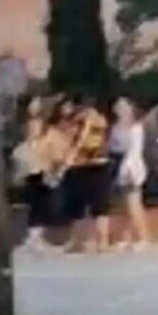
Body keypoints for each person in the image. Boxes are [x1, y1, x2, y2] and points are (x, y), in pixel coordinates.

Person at [62, 95, 113, 253]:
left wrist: (71, 154)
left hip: (87, 164)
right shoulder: (100, 119)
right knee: (96, 206)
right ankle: (99, 242)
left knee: (83, 205)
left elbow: (82, 137)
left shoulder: (86, 118)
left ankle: (82, 242)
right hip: (94, 164)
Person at [109, 96, 150, 252]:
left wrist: (129, 169)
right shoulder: (115, 127)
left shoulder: (136, 127)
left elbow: (135, 150)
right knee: (124, 206)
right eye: (118, 106)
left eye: (123, 106)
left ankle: (143, 238)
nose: (120, 109)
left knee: (134, 205)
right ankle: (126, 238)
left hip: (133, 167)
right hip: (121, 165)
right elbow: (114, 147)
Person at [12, 96, 53, 250]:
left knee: (40, 201)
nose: (35, 107)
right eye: (33, 104)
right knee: (37, 201)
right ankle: (34, 236)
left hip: (39, 165)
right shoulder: (32, 123)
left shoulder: (36, 122)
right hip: (35, 166)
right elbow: (33, 141)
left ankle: (36, 235)